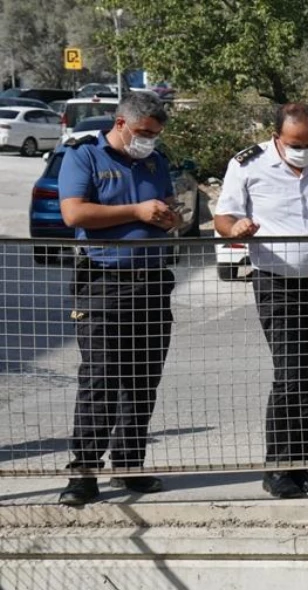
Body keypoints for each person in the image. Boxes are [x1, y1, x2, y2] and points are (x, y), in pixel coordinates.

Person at [214, 102, 308, 499]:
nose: (304, 149)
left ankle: (300, 465)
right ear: (277, 136)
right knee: (291, 373)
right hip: (277, 282)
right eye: (296, 143)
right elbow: (223, 216)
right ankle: (277, 466)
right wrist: (238, 227)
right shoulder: (248, 165)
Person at [57, 91, 181, 507]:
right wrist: (137, 211)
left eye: (156, 134)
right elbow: (74, 214)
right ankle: (84, 471)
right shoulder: (85, 156)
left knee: (143, 380)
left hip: (150, 283)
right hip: (103, 282)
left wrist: (168, 217)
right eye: (145, 133)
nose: (150, 140)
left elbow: (167, 209)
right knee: (101, 378)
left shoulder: (155, 162)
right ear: (121, 123)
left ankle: (129, 464)